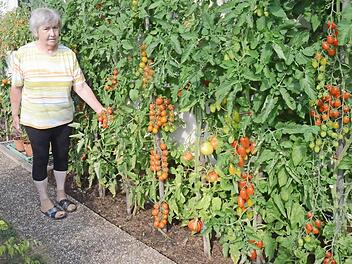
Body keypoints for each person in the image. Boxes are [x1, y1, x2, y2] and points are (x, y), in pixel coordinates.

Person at [10, 7, 105, 220]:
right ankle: (45, 200)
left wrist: (100, 109)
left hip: (63, 118)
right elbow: (16, 87)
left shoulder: (67, 54)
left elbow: (80, 86)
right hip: (36, 121)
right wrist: (15, 114)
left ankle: (61, 194)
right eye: (47, 28)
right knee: (41, 159)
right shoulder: (22, 55)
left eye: (55, 28)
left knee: (62, 157)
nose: (52, 33)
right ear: (36, 31)